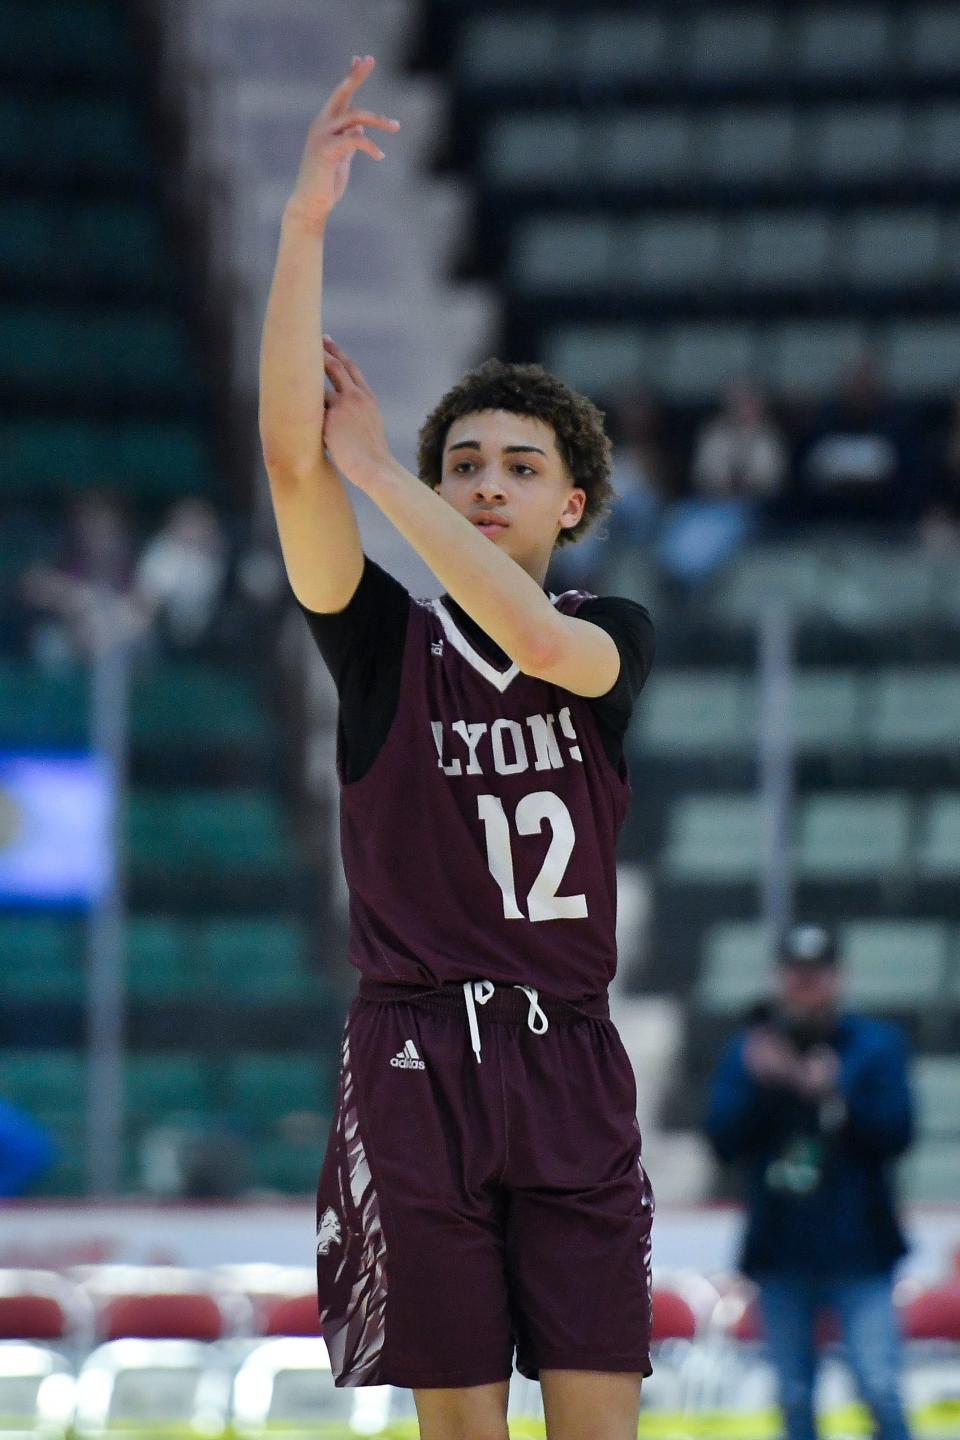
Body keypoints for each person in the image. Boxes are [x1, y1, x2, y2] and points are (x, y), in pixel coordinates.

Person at [259, 54, 656, 1440]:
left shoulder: (609, 636)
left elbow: (536, 646)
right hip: (417, 1057)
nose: (487, 483)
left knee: (602, 1424)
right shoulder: (379, 646)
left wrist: (382, 472)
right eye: (463, 463)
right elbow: (288, 458)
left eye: (519, 467)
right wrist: (304, 225)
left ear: (577, 509)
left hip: (570, 1060)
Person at [705, 924, 914, 1440]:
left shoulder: (873, 1046)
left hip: (860, 1248)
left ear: (837, 979)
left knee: (880, 1385)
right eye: (796, 977)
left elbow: (897, 1132)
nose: (806, 987)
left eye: (816, 976)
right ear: (780, 979)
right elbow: (721, 1139)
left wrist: (833, 1095)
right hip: (780, 1250)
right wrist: (763, 1085)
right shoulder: (751, 1051)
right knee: (793, 1398)